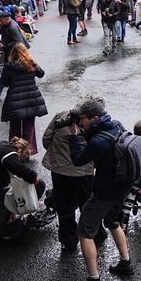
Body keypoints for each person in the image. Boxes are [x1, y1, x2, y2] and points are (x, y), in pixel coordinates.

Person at [67, 97, 134, 281]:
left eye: (83, 119)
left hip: (106, 192)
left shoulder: (98, 141)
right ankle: (125, 263)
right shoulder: (116, 125)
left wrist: (74, 137)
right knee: (113, 221)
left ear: (94, 117)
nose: (80, 123)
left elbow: (79, 160)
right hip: (123, 186)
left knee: (85, 232)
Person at [43, 107, 98, 254]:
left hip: (60, 171)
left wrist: (59, 156)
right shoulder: (93, 122)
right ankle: (95, 236)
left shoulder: (61, 116)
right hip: (83, 173)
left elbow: (46, 139)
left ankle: (68, 242)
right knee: (87, 205)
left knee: (64, 206)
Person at [0, 44, 47, 154]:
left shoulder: (9, 66)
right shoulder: (31, 63)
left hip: (14, 100)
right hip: (32, 98)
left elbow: (4, 83)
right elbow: (41, 74)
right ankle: (28, 151)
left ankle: (15, 150)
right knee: (29, 126)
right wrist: (33, 62)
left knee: (15, 126)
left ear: (12, 54)